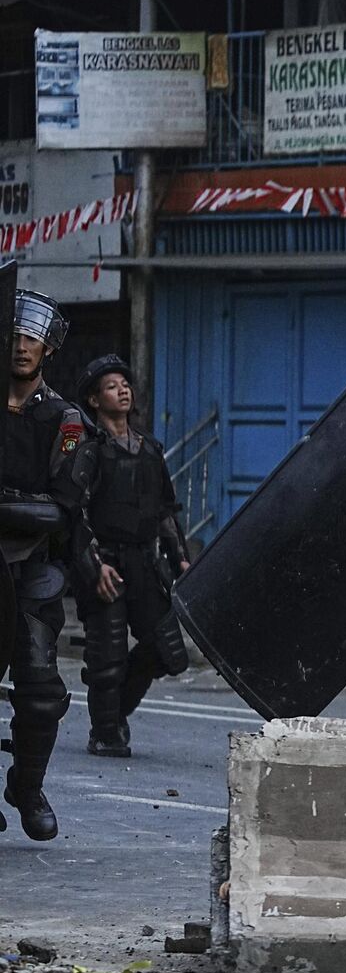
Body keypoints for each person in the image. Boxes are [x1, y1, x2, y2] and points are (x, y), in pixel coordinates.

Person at [67, 355, 192, 757]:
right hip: (104, 562)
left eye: (125, 384)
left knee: (167, 650)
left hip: (144, 563)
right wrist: (93, 566)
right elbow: (75, 511)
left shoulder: (150, 449)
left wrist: (181, 560)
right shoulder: (89, 450)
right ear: (94, 400)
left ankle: (115, 710)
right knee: (107, 657)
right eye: (111, 386)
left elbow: (165, 513)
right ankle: (106, 733)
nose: (122, 391)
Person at [0, 291, 88, 839]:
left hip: (30, 564)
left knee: (40, 692)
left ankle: (27, 786)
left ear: (48, 348)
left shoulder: (66, 420)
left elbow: (62, 506)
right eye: (13, 334)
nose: (21, 345)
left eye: (31, 337)